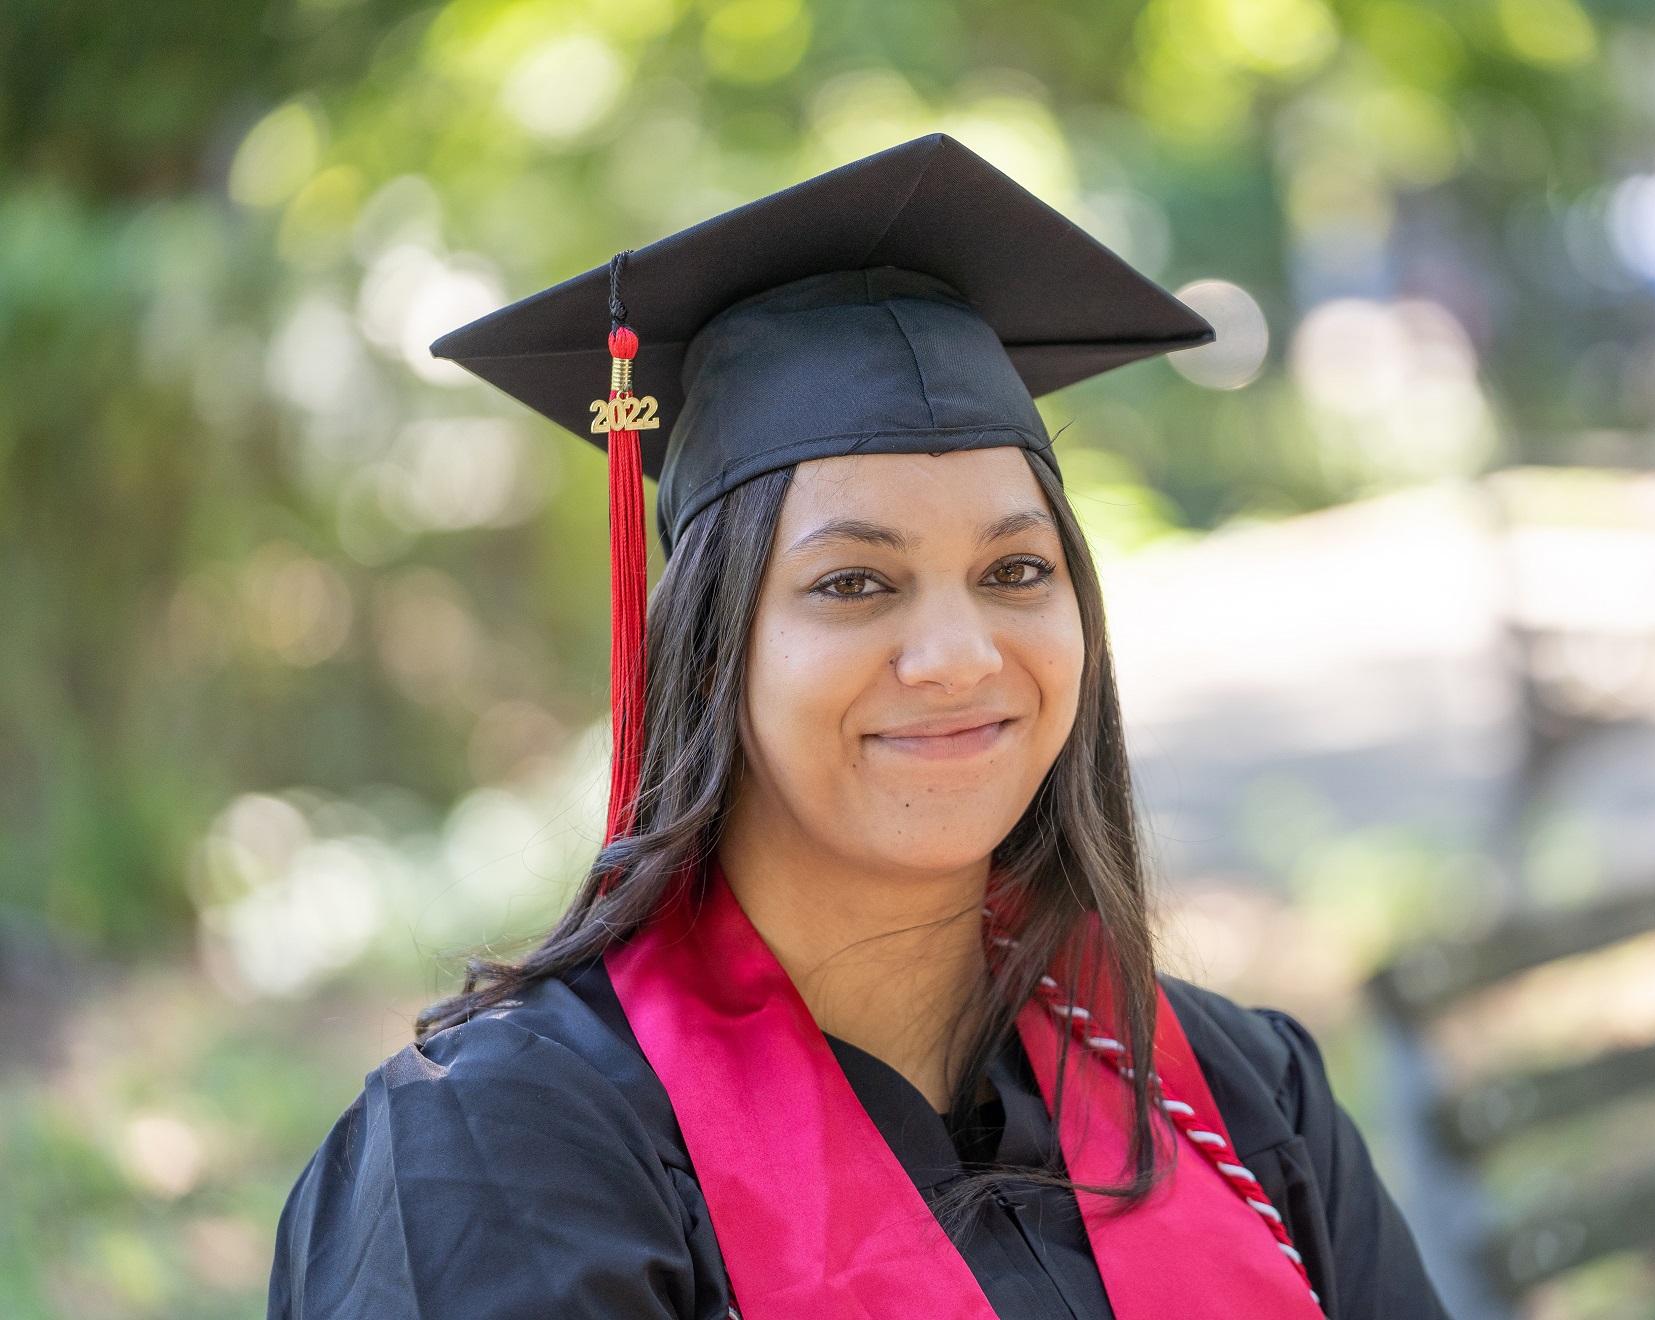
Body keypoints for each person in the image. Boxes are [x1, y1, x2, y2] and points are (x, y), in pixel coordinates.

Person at [268, 135, 1451, 1320]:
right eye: (854, 584)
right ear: (711, 652)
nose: (960, 655)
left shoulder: (1238, 1102)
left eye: (1016, 569)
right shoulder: (505, 1156)